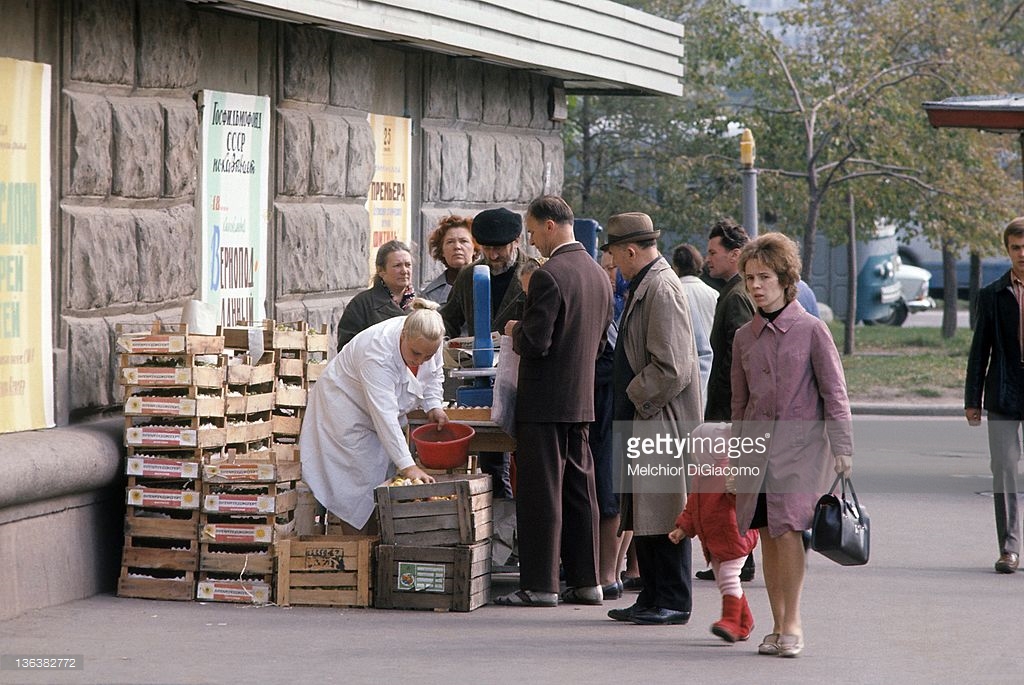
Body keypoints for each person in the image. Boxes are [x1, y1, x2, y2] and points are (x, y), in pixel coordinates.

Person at [731, 232, 853, 658]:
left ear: (786, 280)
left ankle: (794, 622)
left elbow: (835, 392)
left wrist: (843, 447)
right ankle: (778, 622)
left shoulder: (812, 329)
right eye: (749, 278)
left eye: (763, 276)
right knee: (766, 533)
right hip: (755, 448)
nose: (755, 286)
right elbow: (739, 402)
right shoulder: (744, 336)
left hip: (802, 449)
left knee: (788, 531)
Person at [493, 195, 612, 607]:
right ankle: (588, 581)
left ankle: (541, 584)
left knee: (542, 493)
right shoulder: (598, 274)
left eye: (531, 230)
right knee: (581, 490)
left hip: (544, 402)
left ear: (548, 225)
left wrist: (513, 328)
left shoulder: (550, 275)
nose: (531, 240)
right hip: (581, 399)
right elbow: (599, 343)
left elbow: (536, 341)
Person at [602, 212, 702, 626]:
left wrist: (633, 394)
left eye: (614, 255)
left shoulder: (660, 288)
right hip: (648, 416)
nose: (613, 264)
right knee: (645, 511)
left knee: (664, 513)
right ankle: (654, 596)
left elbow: (673, 367)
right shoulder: (649, 283)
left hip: (660, 417)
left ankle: (673, 600)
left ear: (630, 251)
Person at [301, 300, 448, 535]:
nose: (420, 360)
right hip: (346, 413)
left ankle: (375, 551)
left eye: (427, 355)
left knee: (379, 484)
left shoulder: (430, 339)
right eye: (415, 353)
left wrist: (434, 406)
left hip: (376, 417)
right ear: (403, 335)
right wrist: (409, 467)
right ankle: (357, 557)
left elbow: (433, 376)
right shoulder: (376, 353)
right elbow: (385, 416)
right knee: (356, 489)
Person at [441, 207, 537, 499]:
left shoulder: (535, 273)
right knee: (491, 461)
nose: (493, 256)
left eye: (500, 249)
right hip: (483, 380)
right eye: (487, 249)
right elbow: (450, 317)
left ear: (517, 242)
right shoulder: (470, 275)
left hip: (523, 380)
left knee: (528, 463)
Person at [965, 217, 1024, 574]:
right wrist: (973, 400)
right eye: (1016, 248)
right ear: (1007, 251)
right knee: (1004, 468)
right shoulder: (992, 295)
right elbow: (979, 351)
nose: (1022, 254)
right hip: (1004, 391)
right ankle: (1009, 548)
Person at [699, 219, 756, 585]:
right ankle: (739, 556)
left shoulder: (736, 296)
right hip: (729, 407)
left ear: (735, 255)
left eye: (713, 253)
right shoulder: (733, 292)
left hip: (728, 409)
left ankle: (739, 556)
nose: (708, 260)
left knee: (729, 488)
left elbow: (741, 359)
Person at [669, 422, 759, 642]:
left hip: (735, 538)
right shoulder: (702, 473)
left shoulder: (730, 471)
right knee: (726, 581)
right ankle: (744, 622)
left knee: (728, 577)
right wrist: (683, 527)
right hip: (715, 540)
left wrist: (735, 490)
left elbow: (741, 501)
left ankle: (729, 621)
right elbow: (694, 505)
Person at [336, 240, 415, 350]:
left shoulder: (421, 305)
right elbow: (347, 349)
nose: (404, 271)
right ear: (381, 271)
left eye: (408, 265)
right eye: (397, 266)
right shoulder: (361, 305)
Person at [671, 243, 717, 407]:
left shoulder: (673, 294)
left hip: (684, 374)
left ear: (675, 266)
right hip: (710, 371)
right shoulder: (714, 294)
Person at [422, 215, 476, 305]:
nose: (457, 247)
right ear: (442, 250)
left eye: (463, 241)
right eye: (450, 242)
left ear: (475, 248)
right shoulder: (429, 296)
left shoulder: (489, 282)